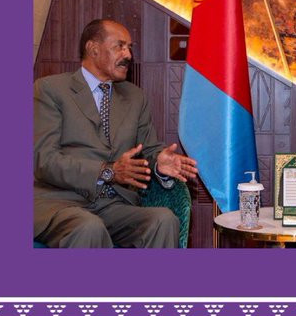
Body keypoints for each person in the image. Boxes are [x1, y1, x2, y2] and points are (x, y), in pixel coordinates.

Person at [34, 19, 198, 247]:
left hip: (114, 205)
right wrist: (107, 172)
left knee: (163, 220)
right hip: (62, 202)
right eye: (119, 46)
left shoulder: (135, 97)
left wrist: (159, 162)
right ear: (93, 49)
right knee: (89, 227)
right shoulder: (51, 90)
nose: (128, 55)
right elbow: (45, 160)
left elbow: (148, 150)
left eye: (129, 47)